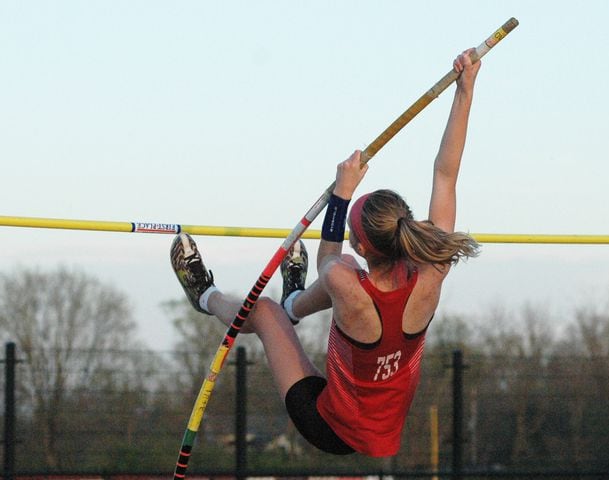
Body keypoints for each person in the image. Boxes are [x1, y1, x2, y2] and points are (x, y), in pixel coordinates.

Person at [169, 48, 481, 457]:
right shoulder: (432, 270)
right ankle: (296, 302)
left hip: (328, 424)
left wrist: (342, 191)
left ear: (363, 243)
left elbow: (329, 256)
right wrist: (465, 90)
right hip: (374, 425)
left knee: (264, 312)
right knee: (339, 275)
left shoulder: (344, 283)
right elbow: (446, 173)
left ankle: (205, 296)